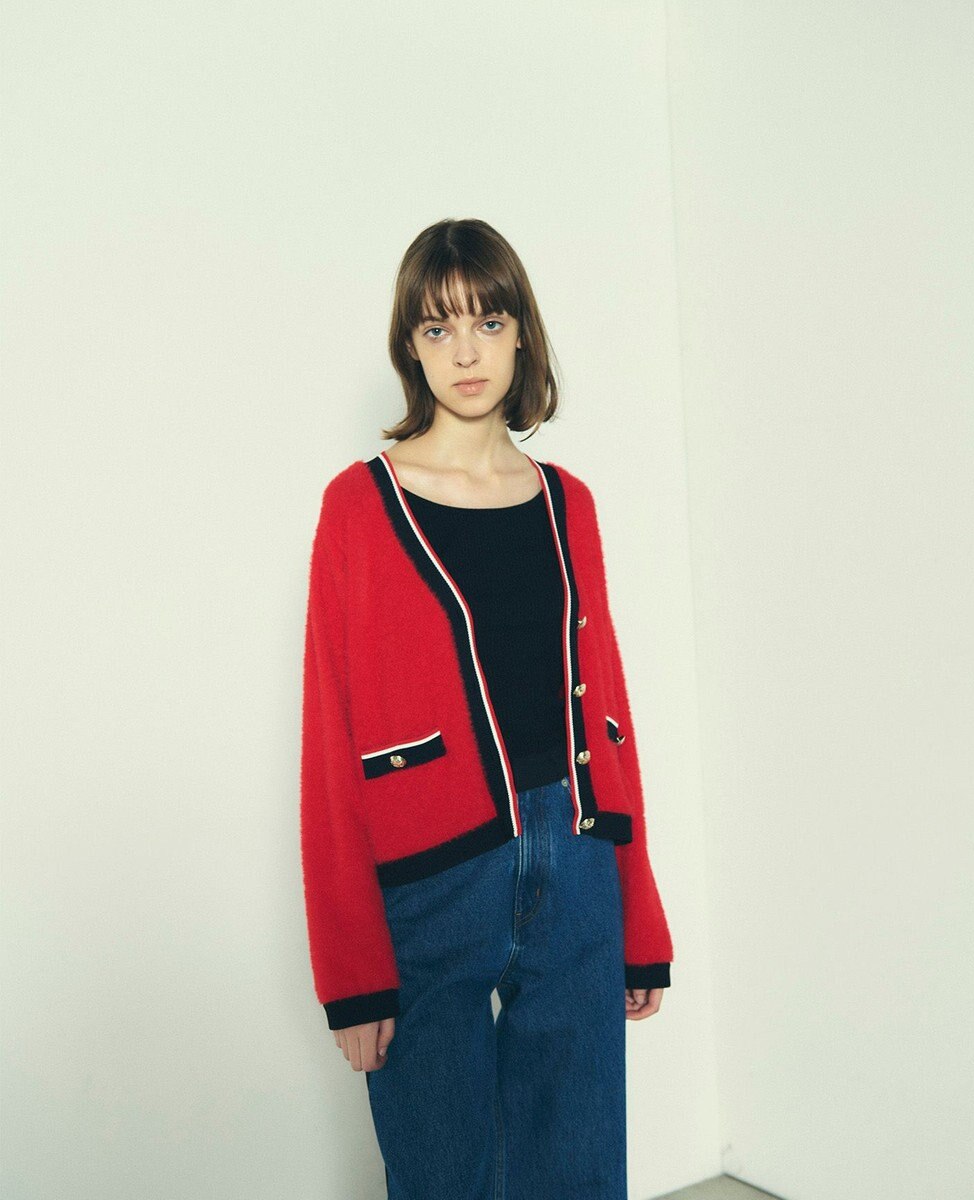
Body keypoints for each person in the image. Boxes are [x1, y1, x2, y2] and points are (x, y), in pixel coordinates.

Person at [300, 217, 674, 1199]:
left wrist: (639, 919)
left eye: (488, 322)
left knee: (578, 1171)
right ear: (411, 347)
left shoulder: (568, 500)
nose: (466, 353)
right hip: (432, 880)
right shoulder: (359, 505)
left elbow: (610, 716)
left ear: (520, 336)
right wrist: (352, 971)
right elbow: (330, 741)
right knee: (441, 1172)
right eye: (438, 328)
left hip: (578, 867)